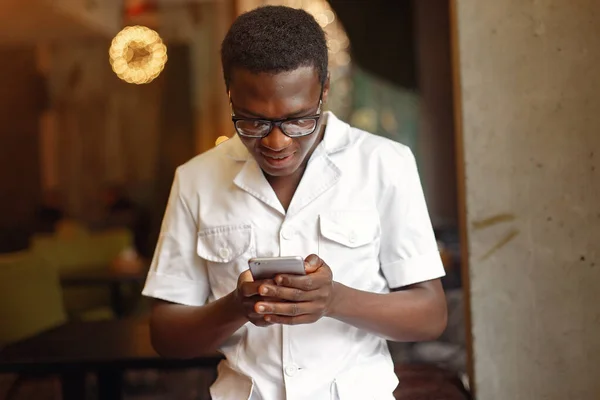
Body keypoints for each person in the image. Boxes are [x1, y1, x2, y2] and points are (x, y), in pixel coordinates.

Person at [142, 5, 447, 400]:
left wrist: (335, 299)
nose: (277, 142)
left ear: (324, 90)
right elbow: (166, 336)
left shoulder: (385, 163)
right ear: (230, 93)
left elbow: (430, 316)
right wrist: (235, 308)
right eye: (253, 121)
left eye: (299, 120)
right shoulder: (196, 179)